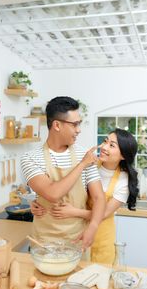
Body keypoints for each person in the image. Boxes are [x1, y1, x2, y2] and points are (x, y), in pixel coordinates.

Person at [31, 128, 138, 264]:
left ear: (123, 155)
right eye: (105, 141)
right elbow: (63, 189)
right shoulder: (89, 165)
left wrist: (73, 212)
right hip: (76, 232)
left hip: (101, 235)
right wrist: (37, 202)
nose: (104, 147)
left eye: (111, 145)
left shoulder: (123, 181)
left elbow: (103, 213)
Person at [21, 96, 106, 251]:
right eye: (75, 124)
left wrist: (93, 227)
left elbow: (99, 197)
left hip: (78, 240)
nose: (78, 130)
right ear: (57, 125)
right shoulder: (30, 158)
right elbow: (53, 193)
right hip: (44, 243)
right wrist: (82, 165)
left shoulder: (83, 154)